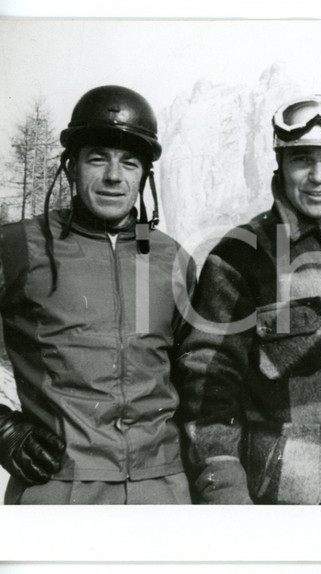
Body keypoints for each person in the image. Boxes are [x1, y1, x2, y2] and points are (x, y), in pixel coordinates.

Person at [177, 95, 321, 504]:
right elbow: (207, 385)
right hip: (285, 502)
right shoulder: (241, 255)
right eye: (302, 159)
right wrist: (224, 488)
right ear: (280, 164)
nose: (318, 176)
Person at [0, 85, 196, 504]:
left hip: (162, 490)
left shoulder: (172, 259)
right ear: (71, 167)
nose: (113, 176)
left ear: (144, 175)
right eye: (97, 159)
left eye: (129, 162)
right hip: (57, 486)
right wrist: (3, 429)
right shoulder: (19, 247)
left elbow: (200, 378)